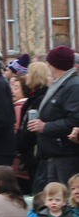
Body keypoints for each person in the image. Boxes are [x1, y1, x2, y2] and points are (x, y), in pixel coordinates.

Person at [28, 45, 79, 185]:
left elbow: (74, 121)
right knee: (56, 199)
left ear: (54, 64)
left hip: (66, 154)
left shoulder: (72, 86)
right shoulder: (60, 84)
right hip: (54, 154)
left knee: (66, 199)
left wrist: (46, 127)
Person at [16, 62, 49, 191]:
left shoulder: (39, 99)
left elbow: (30, 128)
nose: (26, 76)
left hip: (34, 153)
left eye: (29, 73)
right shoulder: (33, 98)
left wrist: (19, 144)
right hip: (29, 153)